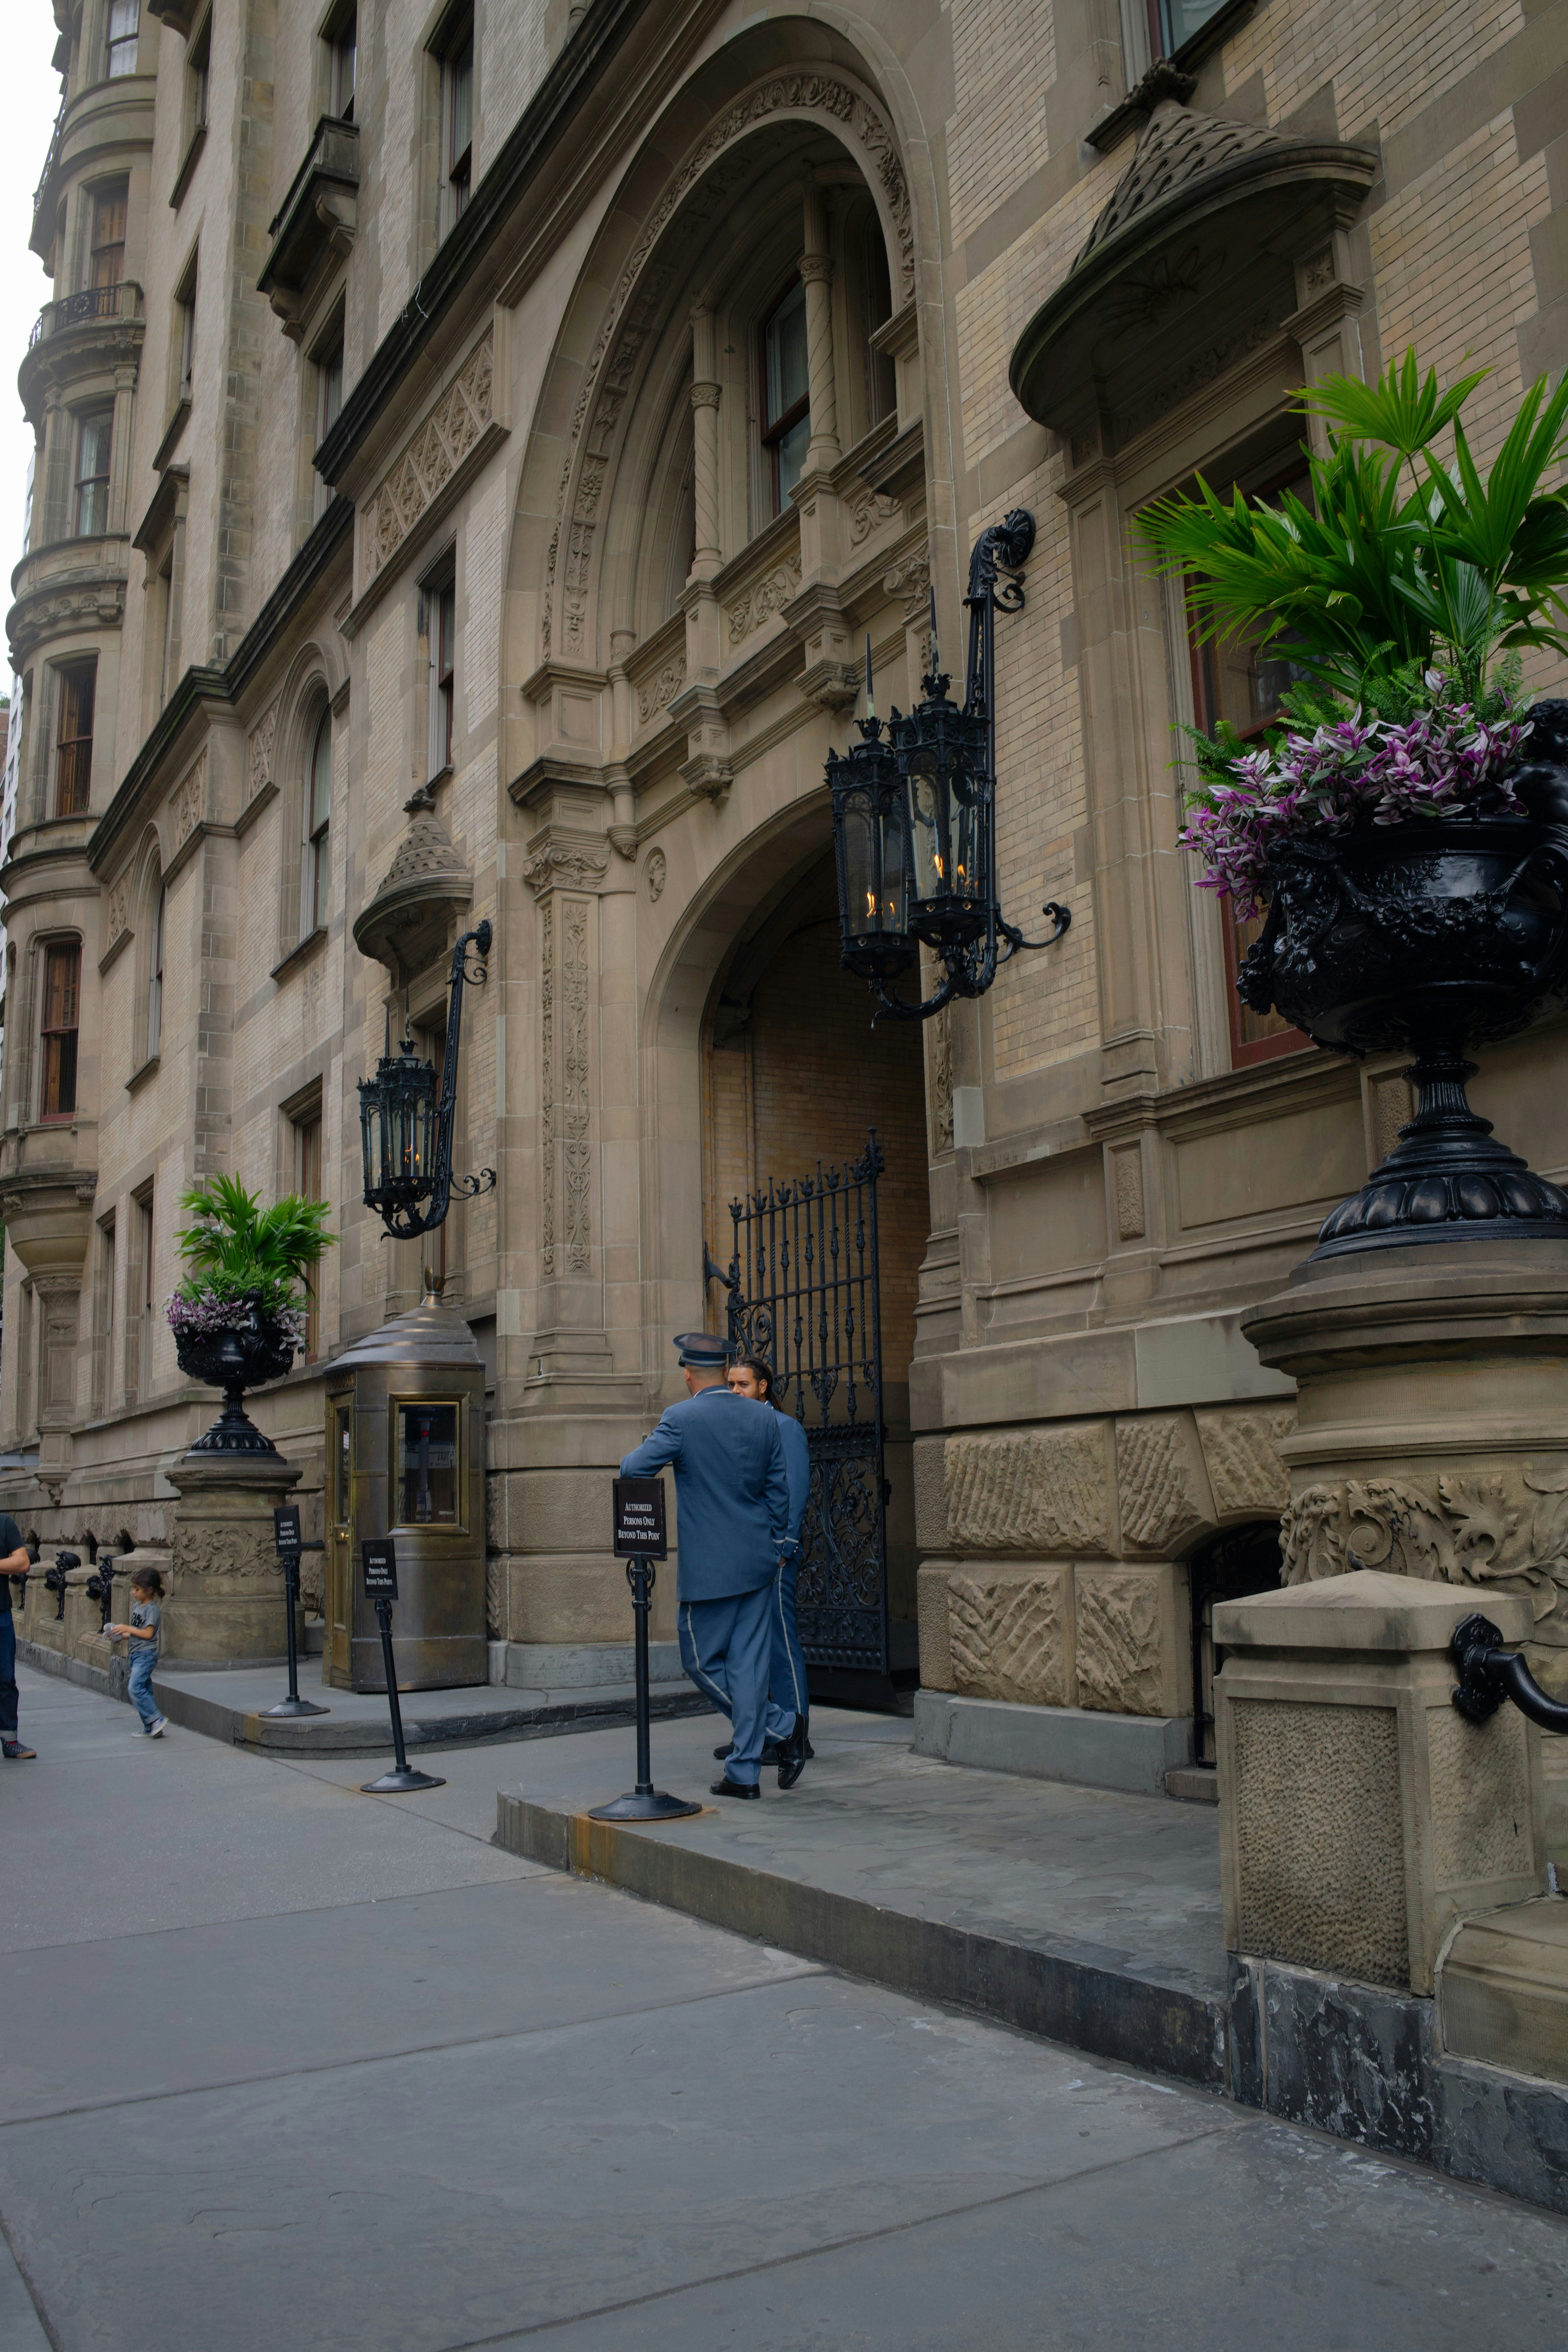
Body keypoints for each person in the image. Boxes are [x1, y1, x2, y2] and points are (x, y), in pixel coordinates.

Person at [619, 1331, 804, 1799]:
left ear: (687, 1373)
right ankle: (744, 1774)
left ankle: (780, 1725)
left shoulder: (680, 1419)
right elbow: (780, 1490)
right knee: (748, 1664)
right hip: (759, 1560)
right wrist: (773, 1540)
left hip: (710, 1567)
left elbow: (633, 1469)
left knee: (699, 1660)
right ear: (726, 1371)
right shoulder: (765, 1419)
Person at [724, 1354, 812, 1778]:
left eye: (743, 1385)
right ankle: (755, 1731)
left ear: (763, 1387)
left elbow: (793, 1492)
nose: (735, 1392)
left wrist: (784, 1547)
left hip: (775, 1556)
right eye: (731, 1385)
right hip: (741, 1557)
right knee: (745, 1647)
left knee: (779, 1645)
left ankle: (797, 1731)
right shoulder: (731, 1429)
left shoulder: (784, 1428)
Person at [108, 1568, 168, 1738]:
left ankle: (157, 1719)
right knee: (145, 1690)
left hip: (146, 1655)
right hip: (136, 1654)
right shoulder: (137, 1607)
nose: (134, 1593)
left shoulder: (152, 1609)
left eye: (137, 1589)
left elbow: (148, 1634)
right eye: (133, 1589)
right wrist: (120, 1636)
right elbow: (137, 1633)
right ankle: (150, 1727)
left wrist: (128, 1628)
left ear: (149, 1590)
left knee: (134, 1688)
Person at [0, 1516, 34, 1760]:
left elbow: (22, 1562)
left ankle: (10, 1741)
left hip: (0, 1614)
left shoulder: (4, 1525)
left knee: (5, 1679)